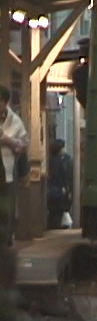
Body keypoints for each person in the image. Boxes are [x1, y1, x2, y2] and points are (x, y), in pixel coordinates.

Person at [0, 84, 29, 246]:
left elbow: (22, 145)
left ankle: (5, 241)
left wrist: (7, 140)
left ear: (4, 102)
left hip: (8, 171)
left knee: (7, 209)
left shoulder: (15, 121)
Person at [47, 139, 73, 229]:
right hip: (59, 189)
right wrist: (66, 188)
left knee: (53, 211)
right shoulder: (64, 160)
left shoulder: (50, 160)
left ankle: (52, 225)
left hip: (51, 189)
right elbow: (65, 175)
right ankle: (56, 226)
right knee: (59, 210)